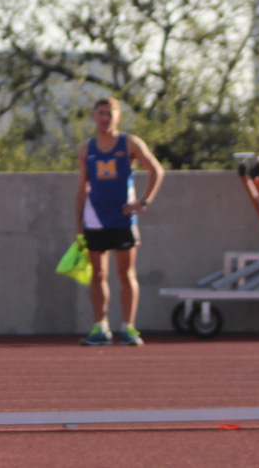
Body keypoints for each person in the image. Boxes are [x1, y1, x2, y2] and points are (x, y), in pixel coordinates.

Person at [73, 97, 165, 346]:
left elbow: (156, 170)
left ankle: (129, 328)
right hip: (95, 219)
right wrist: (78, 221)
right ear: (94, 116)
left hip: (123, 219)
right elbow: (83, 186)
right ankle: (101, 328)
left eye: (109, 113)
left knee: (126, 273)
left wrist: (143, 201)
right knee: (98, 275)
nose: (105, 118)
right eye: (100, 113)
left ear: (118, 117)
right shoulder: (87, 149)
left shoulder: (130, 143)